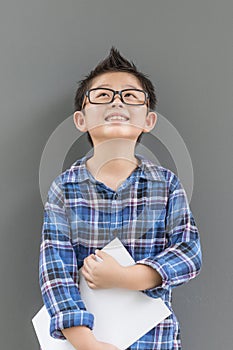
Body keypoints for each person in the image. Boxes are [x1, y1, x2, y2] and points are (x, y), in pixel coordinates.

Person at [39, 47, 202, 350]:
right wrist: (89, 344)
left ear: (149, 120)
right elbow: (55, 275)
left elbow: (189, 254)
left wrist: (125, 277)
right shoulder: (64, 189)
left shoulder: (166, 185)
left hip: (157, 341)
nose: (116, 101)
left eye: (130, 96)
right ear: (81, 119)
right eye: (102, 95)